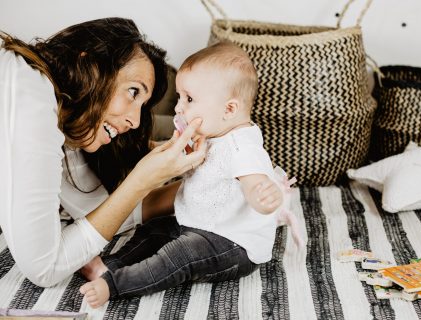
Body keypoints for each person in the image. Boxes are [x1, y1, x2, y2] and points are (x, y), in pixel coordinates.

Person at [0, 17, 207, 287]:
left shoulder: (65, 126)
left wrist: (200, 181)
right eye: (133, 91)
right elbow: (44, 268)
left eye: (142, 107)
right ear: (89, 64)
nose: (134, 121)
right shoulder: (31, 94)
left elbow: (103, 216)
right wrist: (141, 179)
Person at [79, 41, 285, 308]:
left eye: (189, 99)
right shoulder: (211, 135)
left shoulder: (242, 145)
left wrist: (263, 196)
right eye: (179, 98)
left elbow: (255, 184)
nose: (178, 108)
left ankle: (115, 284)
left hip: (233, 243)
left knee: (179, 255)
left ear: (229, 110)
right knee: (153, 231)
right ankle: (110, 265)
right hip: (195, 224)